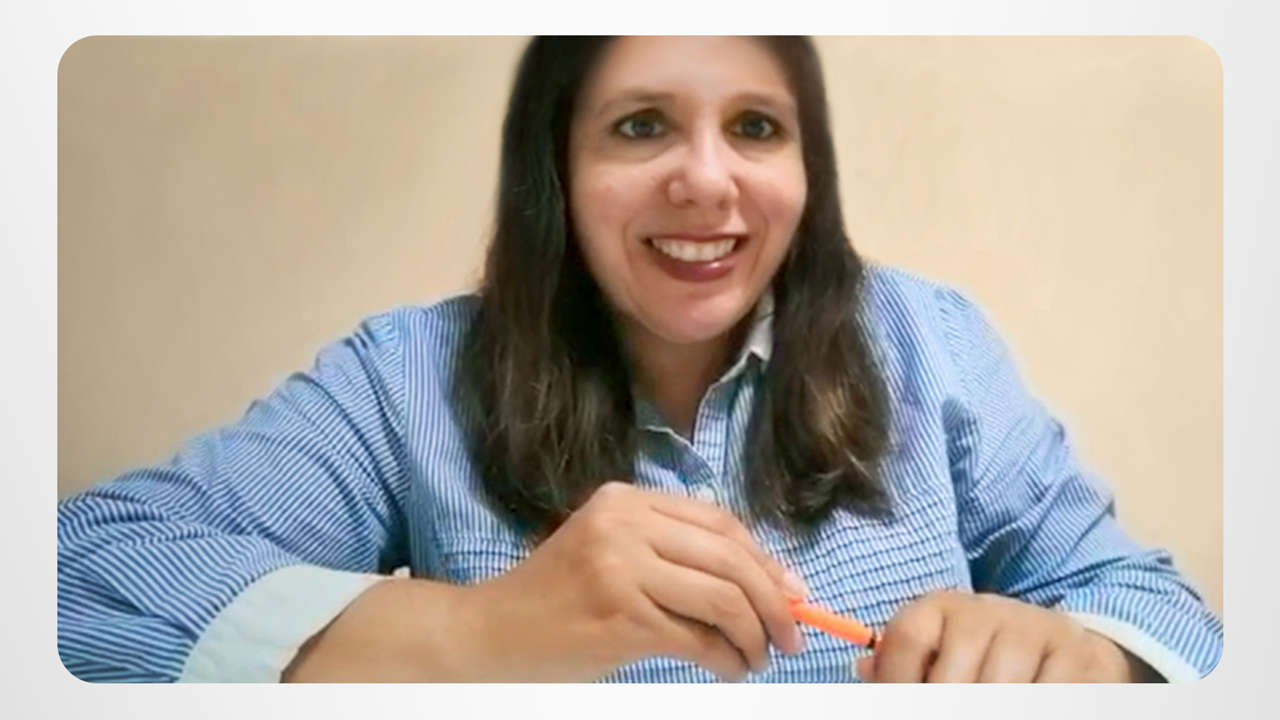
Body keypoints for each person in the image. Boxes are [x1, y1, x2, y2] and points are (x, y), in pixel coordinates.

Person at [56, 35, 1222, 683]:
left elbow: (1164, 618)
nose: (706, 181)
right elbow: (69, 580)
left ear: (806, 171)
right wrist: (476, 636)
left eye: (755, 127)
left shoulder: (931, 343)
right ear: (554, 169)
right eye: (639, 125)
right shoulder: (404, 379)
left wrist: (1085, 664)